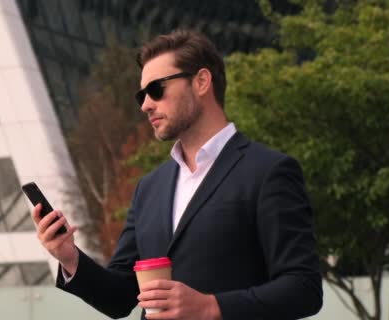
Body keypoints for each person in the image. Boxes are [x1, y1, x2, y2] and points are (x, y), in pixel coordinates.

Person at [32, 30, 323, 320]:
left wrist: (212, 307)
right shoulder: (149, 188)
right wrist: (69, 257)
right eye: (141, 95)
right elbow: (120, 298)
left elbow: (304, 287)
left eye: (156, 89)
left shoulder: (269, 172)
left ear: (201, 82)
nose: (146, 104)